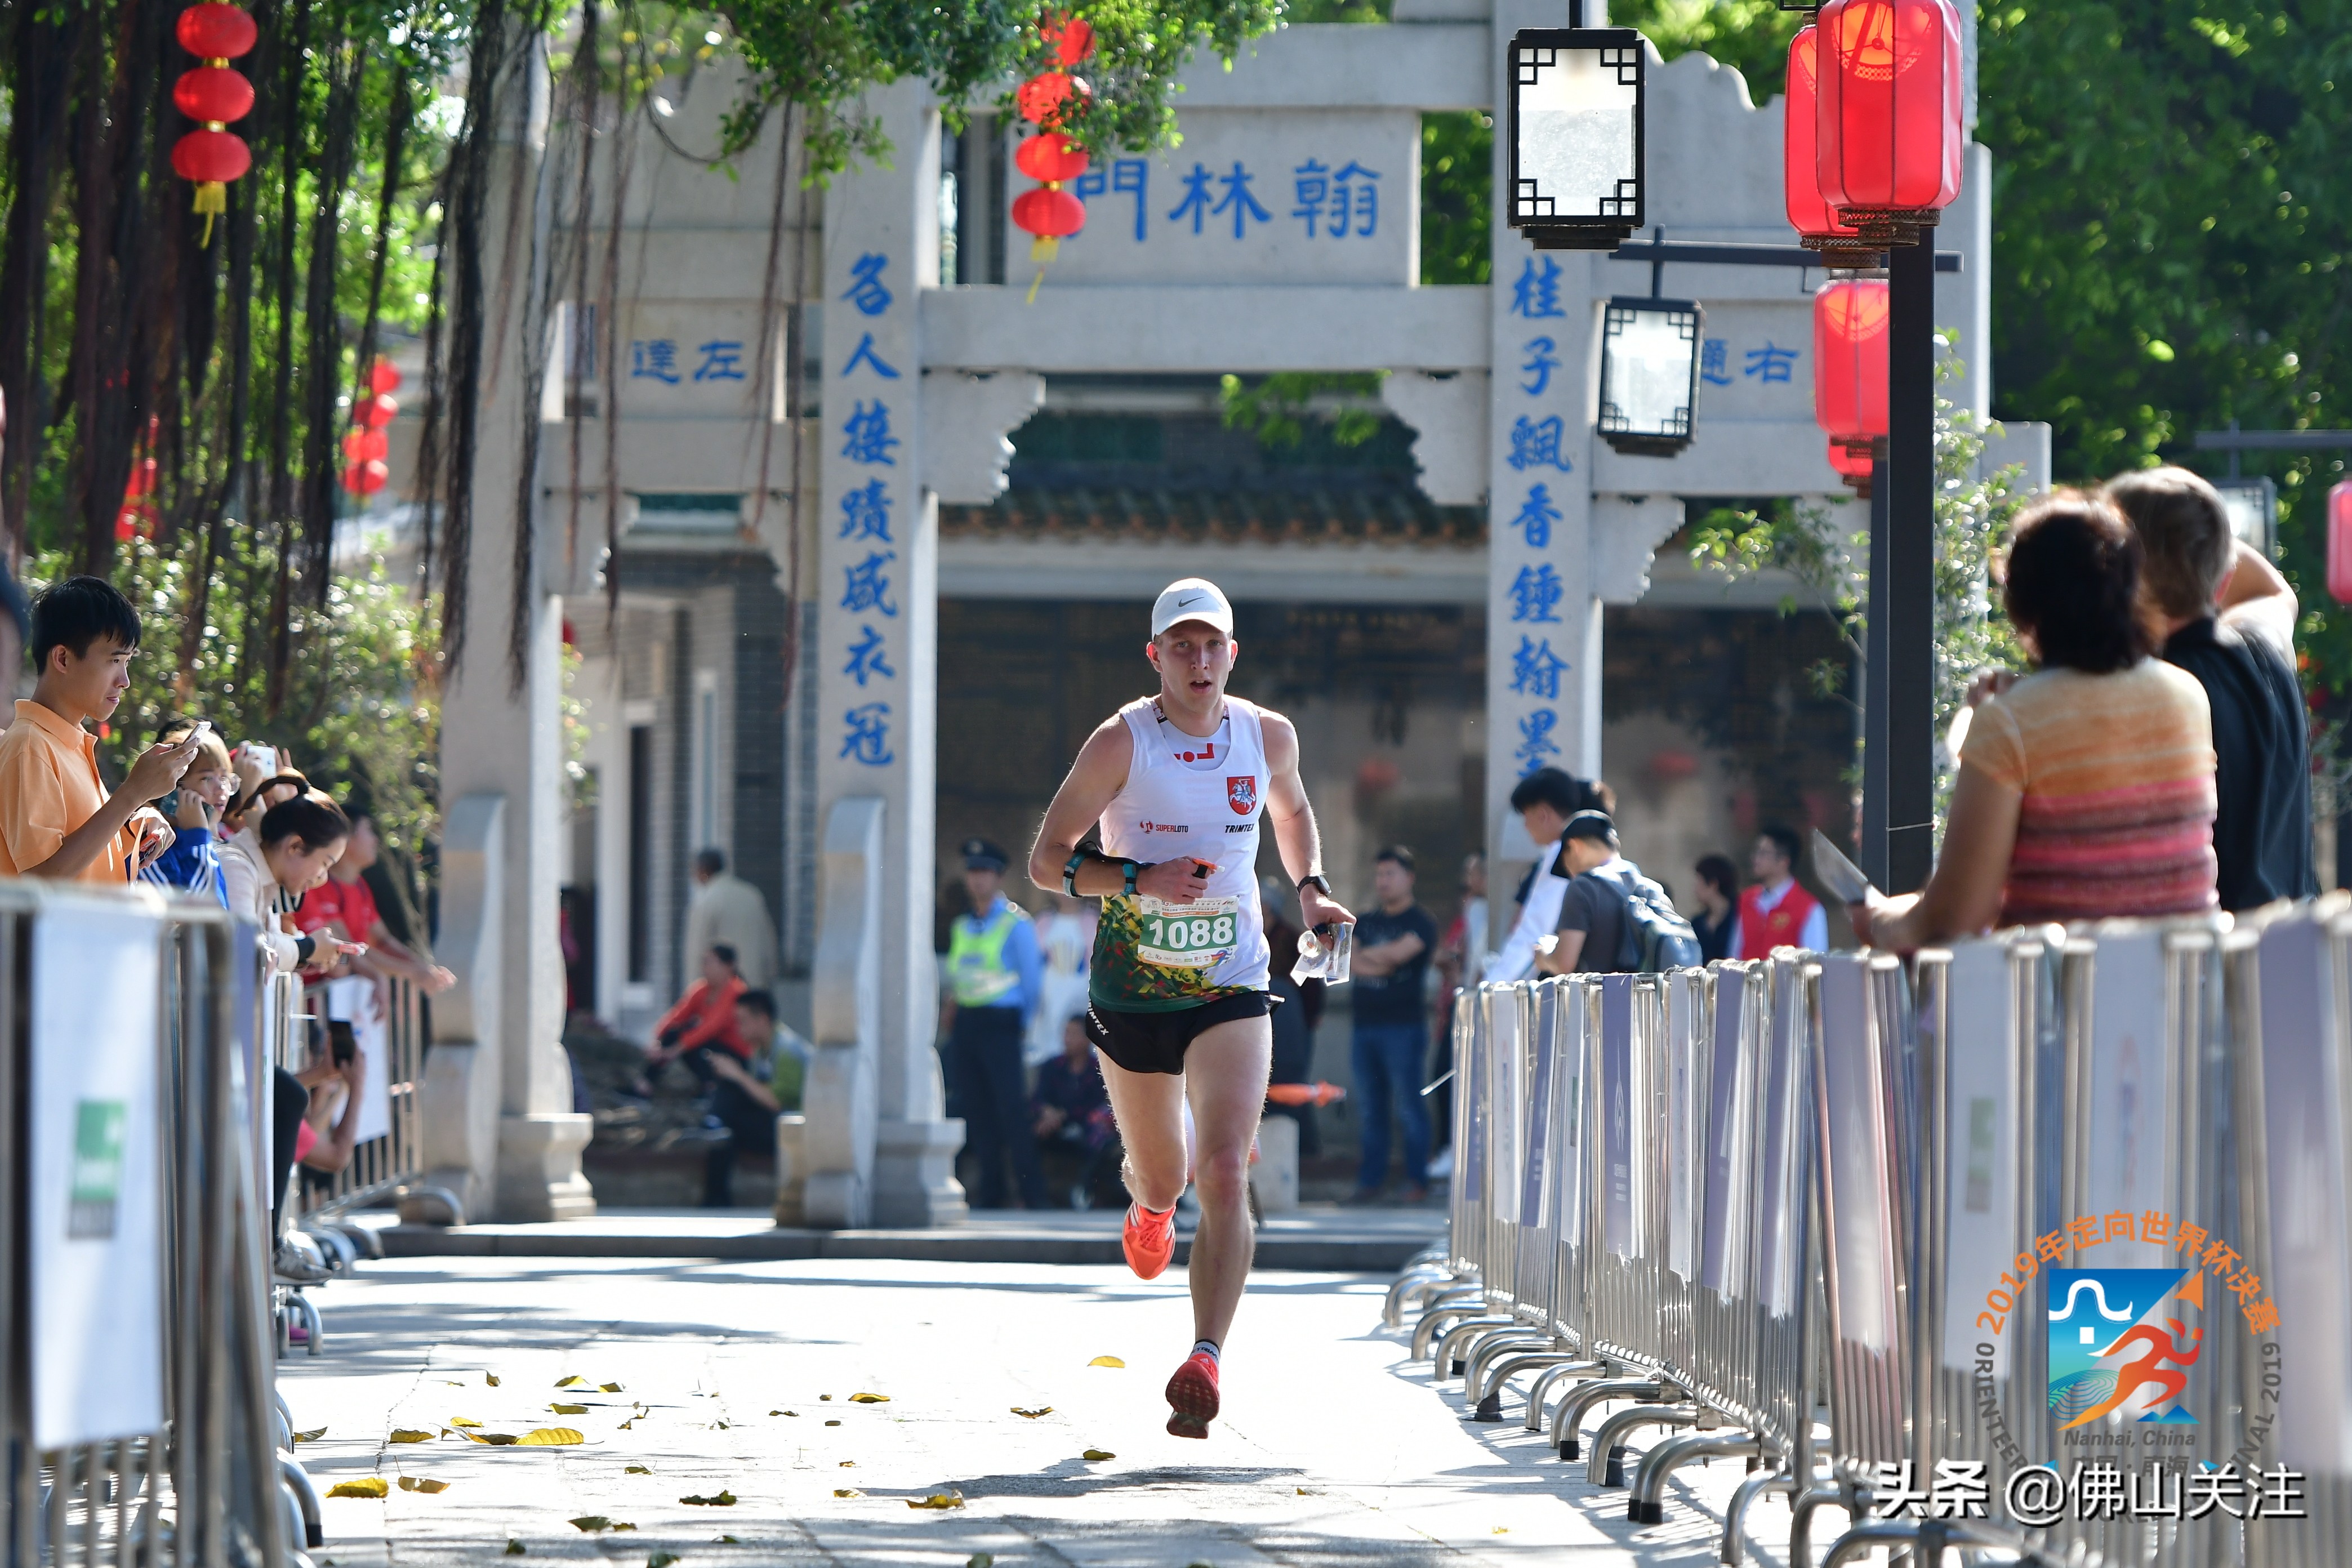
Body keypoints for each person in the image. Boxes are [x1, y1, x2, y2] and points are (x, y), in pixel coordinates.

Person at [1027, 576, 1353, 1439]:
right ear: (1157, 656)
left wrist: (1313, 890)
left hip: (1233, 982)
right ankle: (1147, 1206)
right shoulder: (1121, 742)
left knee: (1224, 1168)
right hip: (1134, 987)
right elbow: (1047, 861)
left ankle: (1205, 1356)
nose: (1198, 660)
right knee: (1167, 1175)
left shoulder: (1267, 734)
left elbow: (1292, 812)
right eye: (1182, 645)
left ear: (1232, 655)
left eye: (1212, 646)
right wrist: (1138, 877)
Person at [1856, 493, 2217, 951]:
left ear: (2023, 602)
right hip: (2183, 991)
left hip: (2062, 1003)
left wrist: (1879, 920)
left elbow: (1956, 918)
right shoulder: (2186, 696)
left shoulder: (2010, 722)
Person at [2104, 467, 2317, 911]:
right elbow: (2270, 588)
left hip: (2199, 960)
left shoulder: (2144, 690)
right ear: (2222, 575)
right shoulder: (2265, 644)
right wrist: (2200, 541)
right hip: (2290, 951)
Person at [0, 576, 194, 881]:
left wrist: (132, 828)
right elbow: (41, 880)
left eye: (127, 661)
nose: (124, 680)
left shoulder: (70, 744)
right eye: (114, 660)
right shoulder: (29, 745)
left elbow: (81, 858)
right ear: (63, 658)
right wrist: (133, 794)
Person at [943, 838, 1049, 1210]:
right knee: (977, 1110)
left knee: (1012, 1111)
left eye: (985, 872)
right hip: (969, 1025)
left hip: (1002, 1024)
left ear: (998, 876)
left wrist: (1020, 1025)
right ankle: (991, 1194)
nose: (978, 880)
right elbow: (958, 979)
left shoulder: (1016, 924)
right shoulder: (962, 926)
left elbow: (1033, 983)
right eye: (973, 872)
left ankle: (1032, 1195)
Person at [1348, 845, 1439, 1205]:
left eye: (1391, 874)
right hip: (1364, 1026)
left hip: (1403, 1026)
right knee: (1371, 1108)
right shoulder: (1365, 921)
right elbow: (1351, 961)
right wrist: (1381, 960)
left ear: (1409, 877)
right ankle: (1371, 1182)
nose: (1383, 881)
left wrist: (1377, 958)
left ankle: (1416, 1180)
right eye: (1379, 874)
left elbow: (1400, 956)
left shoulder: (1422, 922)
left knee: (1408, 1106)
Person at [1483, 768, 1611, 982]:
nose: (1525, 826)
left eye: (1526, 816)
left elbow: (1534, 930)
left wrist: (1494, 985)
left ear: (1543, 814)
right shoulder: (1617, 863)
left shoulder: (1561, 854)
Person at [698, 989, 796, 1207]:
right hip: (776, 1127)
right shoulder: (764, 1050)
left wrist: (738, 1075)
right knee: (726, 1132)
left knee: (732, 1090)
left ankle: (713, 1123)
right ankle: (716, 1198)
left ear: (762, 1019)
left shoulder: (788, 1050)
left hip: (789, 1132)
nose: (738, 1028)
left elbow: (776, 1102)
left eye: (742, 1021)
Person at [140, 717, 235, 905]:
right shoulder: (151, 847)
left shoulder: (203, 843)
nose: (221, 789)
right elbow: (199, 917)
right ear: (173, 790)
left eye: (224, 777)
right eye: (207, 778)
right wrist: (197, 837)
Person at [1536, 810, 1645, 975]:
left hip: (1601, 998)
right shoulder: (1649, 888)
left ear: (1574, 847)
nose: (1571, 874)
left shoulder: (1584, 887)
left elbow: (1564, 964)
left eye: (1566, 865)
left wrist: (1543, 956)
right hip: (1647, 998)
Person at [1032, 1013, 1118, 1208]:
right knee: (1025, 1133)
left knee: (1101, 1135)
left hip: (1085, 1127)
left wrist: (1063, 1115)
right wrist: (1047, 1112)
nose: (1067, 1039)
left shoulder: (1098, 1069)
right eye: (1065, 1033)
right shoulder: (1052, 1067)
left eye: (1073, 1034)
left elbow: (1097, 1104)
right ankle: (1033, 1195)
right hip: (1051, 1125)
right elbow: (1038, 1098)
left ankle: (1087, 1191)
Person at [643, 945, 751, 1092]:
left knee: (694, 1042)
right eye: (704, 962)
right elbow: (678, 1015)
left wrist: (677, 1048)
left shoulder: (736, 991)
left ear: (728, 967)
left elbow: (711, 1027)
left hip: (734, 1052)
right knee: (675, 1033)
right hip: (709, 1044)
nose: (705, 968)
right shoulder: (702, 989)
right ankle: (644, 1085)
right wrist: (657, 1040)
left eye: (710, 962)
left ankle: (711, 1088)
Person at [683, 847, 778, 990]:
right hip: (755, 986)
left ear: (703, 870)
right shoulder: (751, 894)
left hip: (722, 992)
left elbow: (697, 950)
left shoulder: (706, 900)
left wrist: (694, 990)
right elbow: (769, 941)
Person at [1728, 826, 1828, 959]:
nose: (1755, 859)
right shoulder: (1746, 900)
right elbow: (1735, 954)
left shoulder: (1809, 908)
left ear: (1784, 861)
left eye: (1763, 853)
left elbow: (1815, 964)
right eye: (1756, 852)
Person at [1026, 890, 1096, 1066]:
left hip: (1082, 993)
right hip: (1050, 994)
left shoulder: (1093, 921)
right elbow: (1033, 962)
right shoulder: (1043, 921)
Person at [1689, 853, 1740, 962]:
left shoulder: (1739, 917)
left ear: (1713, 885)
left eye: (1699, 881)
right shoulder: (1698, 923)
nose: (1695, 888)